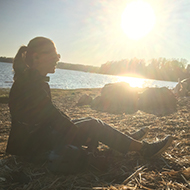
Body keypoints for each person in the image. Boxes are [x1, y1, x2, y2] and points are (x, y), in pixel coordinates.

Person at [6, 37, 173, 172]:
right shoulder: (30, 85)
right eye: (54, 55)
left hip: (37, 139)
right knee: (92, 124)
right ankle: (143, 148)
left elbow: (53, 115)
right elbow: (53, 117)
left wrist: (77, 129)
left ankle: (125, 141)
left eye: (58, 56)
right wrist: (81, 135)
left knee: (89, 122)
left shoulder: (33, 81)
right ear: (36, 57)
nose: (57, 59)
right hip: (33, 146)